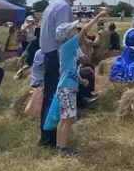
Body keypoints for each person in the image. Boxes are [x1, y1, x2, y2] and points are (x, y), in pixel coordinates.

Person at [43, 9, 107, 156]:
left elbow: (69, 69)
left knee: (64, 118)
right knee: (69, 119)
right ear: (67, 35)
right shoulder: (68, 45)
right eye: (72, 29)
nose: (75, 30)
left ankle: (60, 147)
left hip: (66, 87)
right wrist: (97, 17)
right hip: (67, 89)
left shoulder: (67, 49)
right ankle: (63, 148)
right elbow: (84, 31)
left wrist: (80, 79)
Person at [38, 0, 83, 148]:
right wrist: (63, 65)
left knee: (50, 96)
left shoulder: (53, 5)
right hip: (56, 57)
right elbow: (63, 37)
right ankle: (50, 139)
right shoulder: (64, 7)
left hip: (49, 55)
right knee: (55, 98)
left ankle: (49, 136)